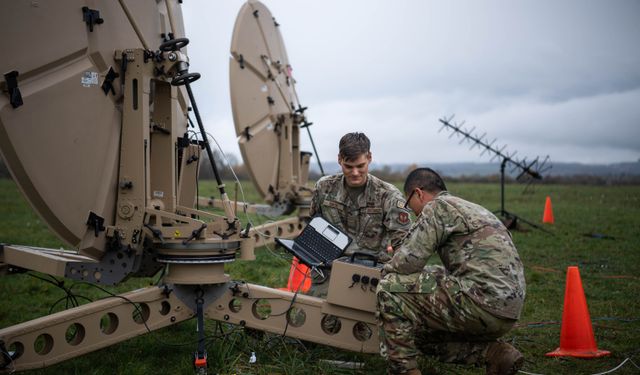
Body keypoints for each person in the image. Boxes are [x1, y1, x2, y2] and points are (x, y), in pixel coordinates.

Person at [376, 167, 526, 375]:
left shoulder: (437, 207)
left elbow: (408, 263)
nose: (414, 213)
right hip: (508, 310)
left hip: (481, 302)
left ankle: (404, 371)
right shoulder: (472, 208)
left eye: (411, 207)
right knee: (417, 335)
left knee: (389, 287)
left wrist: (382, 273)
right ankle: (494, 353)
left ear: (418, 193)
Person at [308, 132, 412, 297]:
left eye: (360, 166)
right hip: (330, 268)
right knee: (314, 314)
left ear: (369, 158)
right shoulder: (324, 188)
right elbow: (314, 225)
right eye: (349, 167)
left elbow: (405, 245)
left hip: (372, 270)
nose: (355, 172)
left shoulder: (388, 195)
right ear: (339, 159)